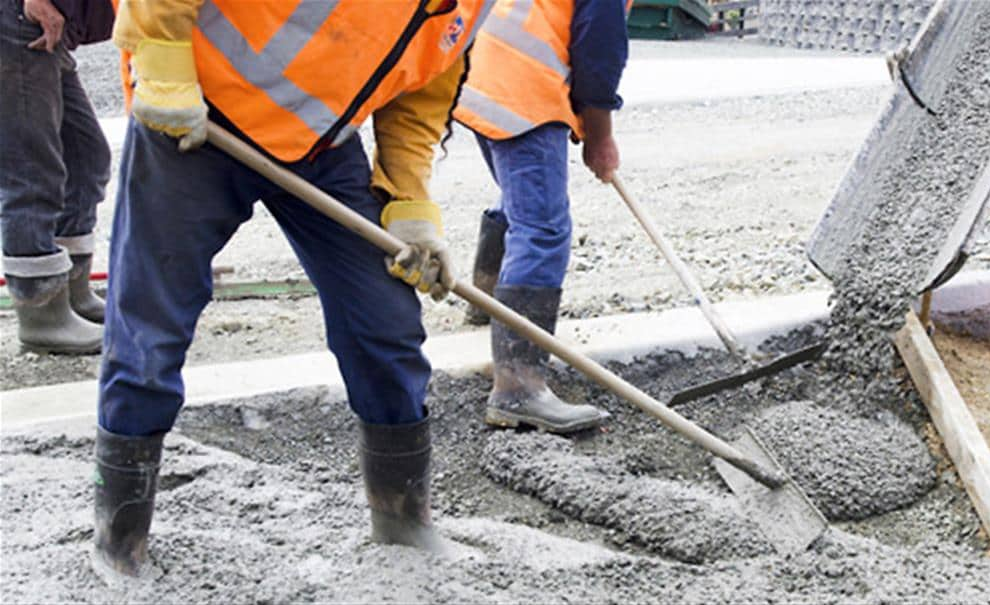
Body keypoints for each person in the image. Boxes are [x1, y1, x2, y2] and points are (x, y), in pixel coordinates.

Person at [92, 0, 489, 579]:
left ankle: (404, 521)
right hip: (197, 113)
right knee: (150, 333)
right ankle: (119, 539)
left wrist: (408, 198)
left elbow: (423, 85)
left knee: (384, 323)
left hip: (320, 148)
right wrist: (162, 56)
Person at [453, 0, 629, 434]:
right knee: (543, 229)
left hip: (479, 71)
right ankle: (518, 390)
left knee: (520, 203)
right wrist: (600, 137)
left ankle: (488, 308)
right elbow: (599, 52)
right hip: (522, 86)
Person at [1, 0, 115, 354]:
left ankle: (73, 292)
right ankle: (42, 311)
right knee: (32, 168)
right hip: (19, 17)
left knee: (85, 155)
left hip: (45, 19)